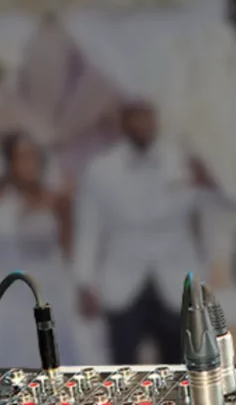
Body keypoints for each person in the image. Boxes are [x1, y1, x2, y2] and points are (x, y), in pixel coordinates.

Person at [73, 100, 213, 364]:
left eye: (146, 115)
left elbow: (208, 215)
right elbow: (88, 227)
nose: (142, 124)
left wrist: (205, 268)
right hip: (121, 280)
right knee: (123, 367)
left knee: (180, 367)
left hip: (175, 279)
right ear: (123, 121)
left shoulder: (183, 162)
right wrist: (84, 280)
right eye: (134, 117)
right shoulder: (101, 169)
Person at [0, 131, 84, 368]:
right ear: (10, 162)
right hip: (12, 292)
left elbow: (68, 250)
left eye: (33, 157)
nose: (29, 163)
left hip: (50, 289)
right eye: (22, 157)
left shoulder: (56, 199)